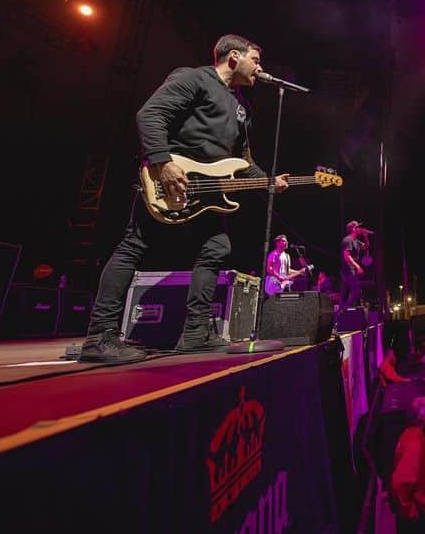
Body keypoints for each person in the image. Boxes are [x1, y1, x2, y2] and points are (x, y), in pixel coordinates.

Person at [80, 34, 290, 363]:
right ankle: (99, 336)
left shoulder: (241, 106)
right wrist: (163, 163)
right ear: (234, 57)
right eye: (256, 60)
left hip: (207, 192)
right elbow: (149, 115)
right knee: (134, 245)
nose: (260, 69)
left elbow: (243, 161)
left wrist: (268, 182)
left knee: (216, 248)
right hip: (171, 179)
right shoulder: (194, 78)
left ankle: (195, 334)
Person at [391, 396, 425, 534]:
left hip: (417, 509)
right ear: (422, 415)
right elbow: (400, 481)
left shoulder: (409, 434)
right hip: (416, 516)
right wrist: (411, 511)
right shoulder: (415, 443)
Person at [340, 220, 369, 309]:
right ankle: (344, 309)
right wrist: (357, 266)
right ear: (353, 229)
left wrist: (365, 236)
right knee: (356, 292)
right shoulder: (348, 240)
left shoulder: (355, 240)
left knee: (345, 293)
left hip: (352, 270)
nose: (360, 229)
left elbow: (366, 247)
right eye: (358, 227)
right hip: (348, 269)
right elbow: (346, 256)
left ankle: (341, 311)